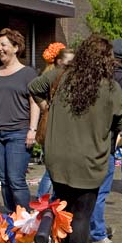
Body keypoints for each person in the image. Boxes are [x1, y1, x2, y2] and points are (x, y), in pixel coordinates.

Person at [29, 35, 122, 243]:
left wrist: (48, 106)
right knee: (81, 215)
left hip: (58, 157)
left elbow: (32, 87)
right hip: (89, 159)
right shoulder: (111, 87)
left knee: (63, 210)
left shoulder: (60, 75)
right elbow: (120, 121)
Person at [0, 28, 39, 213]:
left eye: (4, 45)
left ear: (16, 47)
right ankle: (11, 217)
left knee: (16, 180)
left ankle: (25, 219)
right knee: (4, 180)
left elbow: (34, 103)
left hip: (18, 133)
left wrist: (32, 130)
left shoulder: (28, 74)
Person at [89, 38, 122, 243]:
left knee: (84, 191)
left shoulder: (89, 77)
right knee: (100, 191)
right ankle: (98, 233)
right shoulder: (120, 79)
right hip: (105, 143)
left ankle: (86, 227)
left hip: (84, 141)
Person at [35, 43, 74, 199]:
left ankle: (47, 200)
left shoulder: (48, 75)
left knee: (53, 167)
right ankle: (43, 199)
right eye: (70, 63)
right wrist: (46, 107)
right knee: (53, 168)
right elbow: (33, 88)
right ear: (59, 61)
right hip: (56, 128)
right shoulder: (55, 77)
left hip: (54, 127)